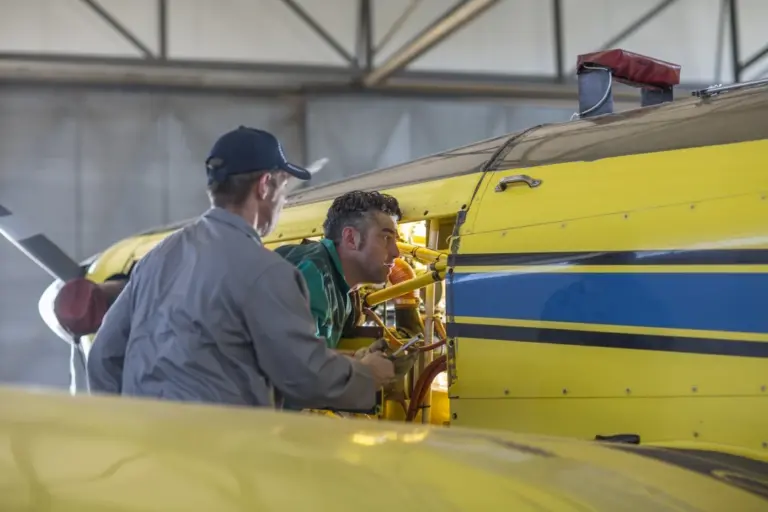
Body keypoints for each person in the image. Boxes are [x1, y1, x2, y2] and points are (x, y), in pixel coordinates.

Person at [86, 126, 395, 411]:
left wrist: (125, 426)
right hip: (217, 455)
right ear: (264, 186)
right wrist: (366, 374)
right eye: (283, 190)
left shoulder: (158, 256)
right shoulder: (267, 272)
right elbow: (304, 377)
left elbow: (103, 356)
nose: (282, 202)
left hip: (149, 451)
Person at [274, 190, 402, 351]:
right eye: (386, 238)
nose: (396, 252)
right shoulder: (312, 274)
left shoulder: (343, 294)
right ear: (350, 238)